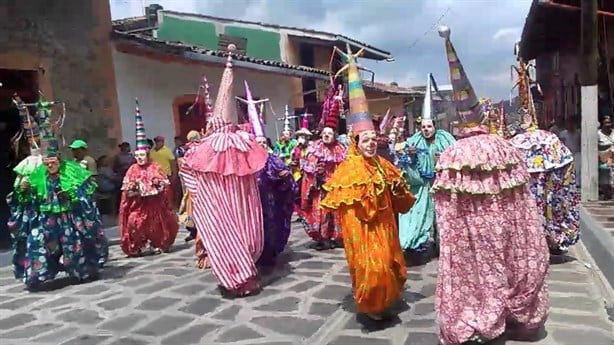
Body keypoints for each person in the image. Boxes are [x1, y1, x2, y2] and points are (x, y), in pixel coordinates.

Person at [432, 26, 549, 344]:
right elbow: (523, 198)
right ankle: (508, 314)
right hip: (506, 227)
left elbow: (445, 208)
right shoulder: (504, 148)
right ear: (482, 116)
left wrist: (450, 240)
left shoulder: (450, 155)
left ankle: (477, 317)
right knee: (507, 266)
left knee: (475, 275)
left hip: (469, 234)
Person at [321, 45, 415, 321]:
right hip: (362, 231)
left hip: (384, 228)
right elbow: (346, 211)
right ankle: (372, 305)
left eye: (374, 139)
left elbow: (401, 197)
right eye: (366, 140)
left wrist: (398, 188)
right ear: (356, 143)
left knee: (387, 264)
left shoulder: (384, 165)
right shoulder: (347, 171)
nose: (371, 143)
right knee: (371, 270)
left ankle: (383, 302)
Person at [180, 45, 268, 297]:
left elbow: (190, 175)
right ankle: (237, 278)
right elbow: (191, 175)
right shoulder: (222, 146)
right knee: (232, 239)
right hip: (220, 206)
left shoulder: (235, 145)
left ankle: (239, 277)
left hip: (234, 206)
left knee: (240, 239)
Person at [7, 97, 108, 291]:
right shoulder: (36, 175)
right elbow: (24, 200)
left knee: (75, 242)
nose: (49, 166)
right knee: (37, 241)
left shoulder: (72, 171)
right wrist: (23, 190)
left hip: (69, 217)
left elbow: (87, 192)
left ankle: (83, 271)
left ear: (59, 160)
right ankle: (36, 276)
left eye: (52, 162)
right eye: (46, 163)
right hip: (46, 218)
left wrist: (71, 193)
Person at [508, 54, 580, 254]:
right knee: (550, 206)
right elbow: (567, 169)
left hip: (534, 188)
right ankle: (551, 237)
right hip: (549, 186)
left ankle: (534, 239)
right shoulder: (548, 140)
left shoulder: (515, 144)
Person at [396, 73, 455, 254]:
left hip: (442, 184)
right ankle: (416, 242)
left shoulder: (446, 138)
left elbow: (456, 156)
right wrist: (411, 156)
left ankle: (443, 243)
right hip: (421, 185)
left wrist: (443, 160)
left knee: (443, 216)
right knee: (418, 214)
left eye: (429, 126)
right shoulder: (414, 140)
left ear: (435, 126)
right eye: (423, 127)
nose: (426, 130)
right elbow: (402, 158)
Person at [243, 80, 298, 268]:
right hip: (252, 204)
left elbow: (287, 177)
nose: (261, 146)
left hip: (271, 203)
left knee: (271, 229)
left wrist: (284, 177)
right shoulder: (246, 161)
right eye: (258, 143)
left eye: (263, 143)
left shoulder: (273, 159)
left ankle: (270, 253)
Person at [118, 99, 179, 257]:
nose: (139, 158)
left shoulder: (155, 167)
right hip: (138, 205)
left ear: (147, 154)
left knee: (156, 224)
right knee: (134, 222)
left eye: (142, 155)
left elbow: (163, 185)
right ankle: (138, 245)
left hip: (154, 205)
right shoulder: (132, 169)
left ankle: (158, 243)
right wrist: (133, 190)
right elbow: (126, 190)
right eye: (137, 155)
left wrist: (158, 186)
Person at [298, 82, 347, 250]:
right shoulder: (315, 148)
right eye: (324, 133)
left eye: (330, 134)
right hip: (321, 188)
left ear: (335, 135)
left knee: (337, 214)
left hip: (337, 188)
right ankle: (323, 238)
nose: (326, 136)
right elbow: (308, 168)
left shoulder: (341, 150)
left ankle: (335, 237)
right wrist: (316, 175)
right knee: (321, 213)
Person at [558, 116, 581, 184]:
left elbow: (580, 143)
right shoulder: (563, 133)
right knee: (567, 170)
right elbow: (561, 145)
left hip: (577, 154)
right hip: (567, 155)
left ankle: (577, 184)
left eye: (572, 123)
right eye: (568, 123)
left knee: (577, 170)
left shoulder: (578, 133)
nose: (570, 125)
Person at [598, 115, 614, 199]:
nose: (608, 125)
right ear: (602, 124)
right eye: (606, 123)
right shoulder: (598, 134)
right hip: (603, 158)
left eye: (609, 122)